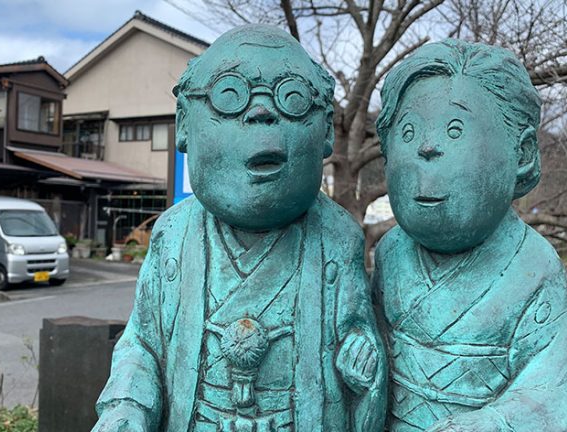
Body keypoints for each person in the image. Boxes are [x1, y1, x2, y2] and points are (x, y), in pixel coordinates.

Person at [93, 24, 386, 432]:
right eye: (229, 96)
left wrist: (362, 360)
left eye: (292, 99)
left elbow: (359, 334)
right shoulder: (173, 234)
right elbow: (143, 343)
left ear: (324, 132)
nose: (261, 113)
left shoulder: (337, 237)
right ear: (183, 124)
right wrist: (126, 408)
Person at [373, 39, 567, 431]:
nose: (427, 147)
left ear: (522, 155)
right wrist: (359, 356)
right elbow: (373, 343)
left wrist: (492, 422)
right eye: (408, 132)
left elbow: (552, 383)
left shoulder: (534, 265)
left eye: (455, 131)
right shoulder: (391, 252)